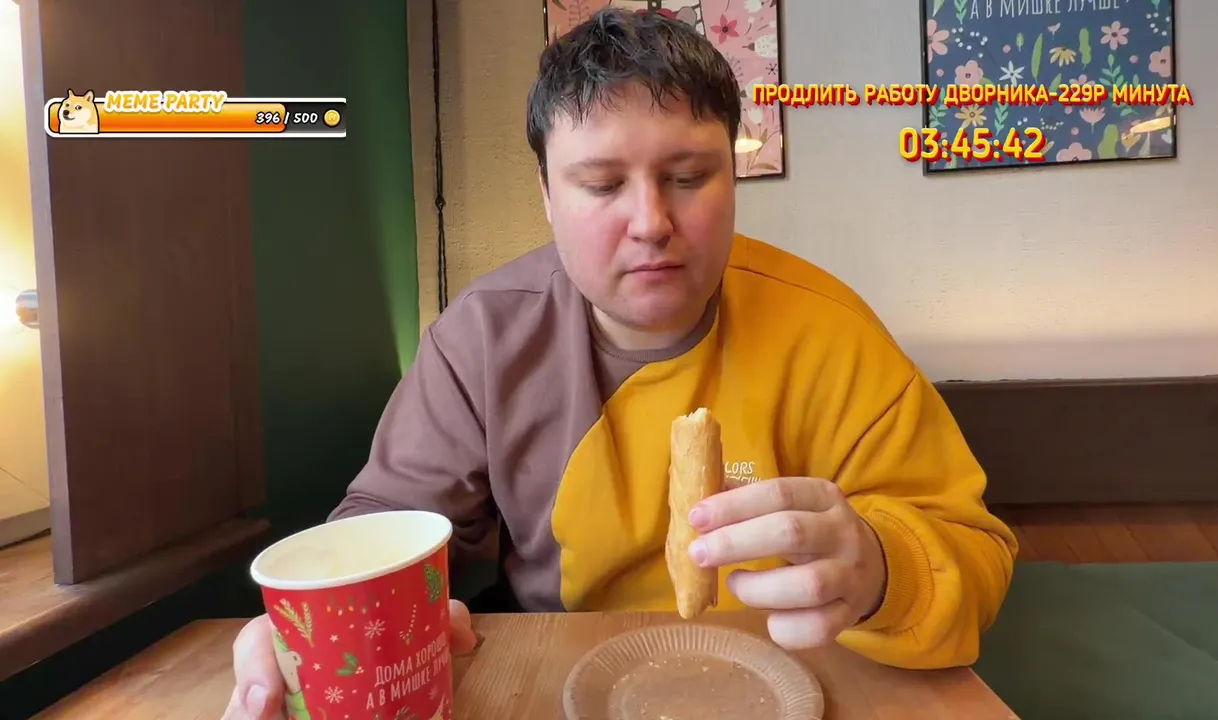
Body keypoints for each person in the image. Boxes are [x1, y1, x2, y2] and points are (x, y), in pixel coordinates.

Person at [222, 7, 1018, 719]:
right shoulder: (481, 340)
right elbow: (383, 531)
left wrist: (880, 570)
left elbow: (973, 555)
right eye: (602, 185)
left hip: (799, 671)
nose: (651, 222)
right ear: (546, 195)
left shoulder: (830, 332)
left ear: (732, 174)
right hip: (557, 672)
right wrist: (319, 621)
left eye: (688, 177)